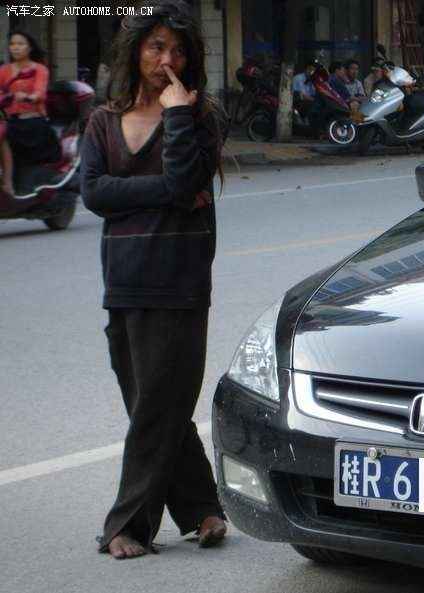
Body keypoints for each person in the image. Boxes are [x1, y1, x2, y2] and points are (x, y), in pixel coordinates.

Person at [80, 0, 227, 560]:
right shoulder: (103, 120)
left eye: (179, 49)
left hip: (180, 281)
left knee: (156, 407)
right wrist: (165, 193)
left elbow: (186, 179)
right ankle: (203, 509)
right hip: (124, 280)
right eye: (157, 46)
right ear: (136, 50)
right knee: (153, 404)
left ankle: (128, 526)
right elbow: (95, 193)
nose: (168, 59)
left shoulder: (198, 116)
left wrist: (178, 116)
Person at [0, 30, 59, 196]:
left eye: (20, 44)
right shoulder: (4, 70)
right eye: (12, 44)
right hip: (10, 121)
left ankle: (8, 183)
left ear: (29, 47)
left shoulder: (40, 69)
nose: (15, 47)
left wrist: (28, 97)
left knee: (4, 137)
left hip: (32, 123)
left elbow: (39, 93)